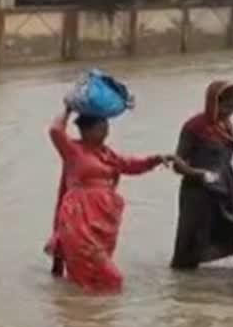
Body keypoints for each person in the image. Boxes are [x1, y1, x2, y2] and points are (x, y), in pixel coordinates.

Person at [46, 106, 179, 293]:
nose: (106, 130)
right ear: (86, 130)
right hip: (79, 223)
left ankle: (79, 316)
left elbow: (132, 165)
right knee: (111, 278)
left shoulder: (107, 154)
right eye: (100, 126)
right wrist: (68, 109)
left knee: (89, 280)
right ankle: (93, 314)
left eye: (106, 126)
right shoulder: (73, 150)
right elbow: (55, 131)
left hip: (102, 224)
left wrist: (156, 159)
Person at [171, 81, 233, 269]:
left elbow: (224, 164)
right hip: (198, 194)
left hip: (225, 189)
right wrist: (198, 173)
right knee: (190, 246)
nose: (229, 112)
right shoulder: (194, 127)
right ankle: (185, 289)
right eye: (226, 106)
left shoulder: (225, 126)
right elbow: (178, 164)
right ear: (213, 102)